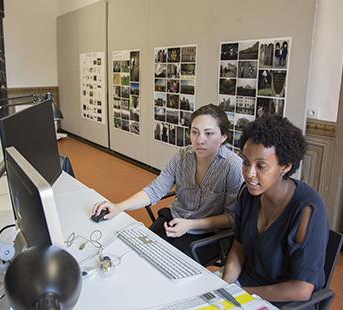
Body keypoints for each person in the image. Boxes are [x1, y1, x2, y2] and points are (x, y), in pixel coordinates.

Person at [92, 104, 243, 263]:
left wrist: (191, 225)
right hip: (174, 219)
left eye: (209, 133)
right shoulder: (181, 156)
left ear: (224, 136)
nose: (200, 140)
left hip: (207, 233)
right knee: (137, 254)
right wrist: (118, 207)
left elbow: (231, 218)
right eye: (194, 132)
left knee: (168, 267)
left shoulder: (233, 166)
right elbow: (155, 190)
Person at [222, 115, 329, 308]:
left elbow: (302, 289)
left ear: (285, 166)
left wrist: (243, 294)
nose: (249, 173)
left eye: (260, 166)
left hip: (285, 301)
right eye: (246, 162)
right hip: (246, 288)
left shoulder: (307, 210)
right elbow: (238, 249)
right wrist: (226, 286)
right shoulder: (248, 195)